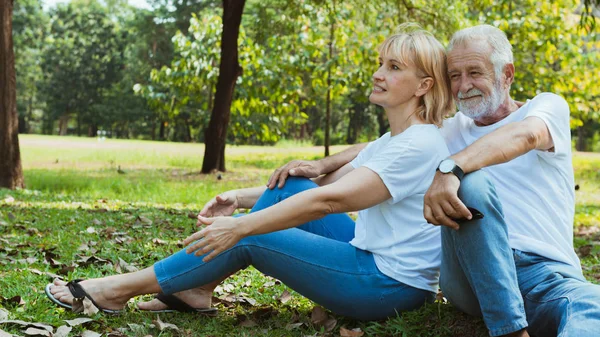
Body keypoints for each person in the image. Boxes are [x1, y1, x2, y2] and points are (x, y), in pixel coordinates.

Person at [46, 25, 454, 320]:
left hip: (387, 286)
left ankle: (117, 290)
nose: (378, 73)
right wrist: (239, 198)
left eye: (394, 67)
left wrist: (241, 227)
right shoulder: (393, 139)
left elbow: (333, 200)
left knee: (255, 236)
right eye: (381, 63)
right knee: (289, 183)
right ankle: (197, 288)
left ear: (423, 86)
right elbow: (324, 183)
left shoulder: (418, 144)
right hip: (370, 258)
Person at [268, 25, 600, 337]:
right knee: (472, 187)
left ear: (507, 74)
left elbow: (526, 136)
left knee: (590, 305)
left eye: (474, 73)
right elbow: (386, 145)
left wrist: (450, 168)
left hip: (546, 277)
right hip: (471, 276)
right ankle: (511, 330)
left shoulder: (545, 108)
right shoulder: (451, 129)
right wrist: (321, 164)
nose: (463, 85)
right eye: (454, 76)